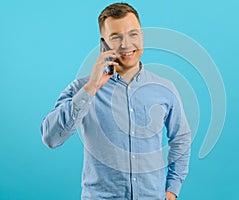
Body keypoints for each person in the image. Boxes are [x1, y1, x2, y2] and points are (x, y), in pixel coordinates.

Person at [41, 2, 191, 200]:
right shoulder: (81, 89)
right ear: (104, 44)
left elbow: (181, 138)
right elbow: (51, 138)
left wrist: (172, 190)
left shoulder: (165, 88)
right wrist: (90, 89)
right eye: (116, 37)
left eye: (133, 34)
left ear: (142, 36)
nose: (126, 44)